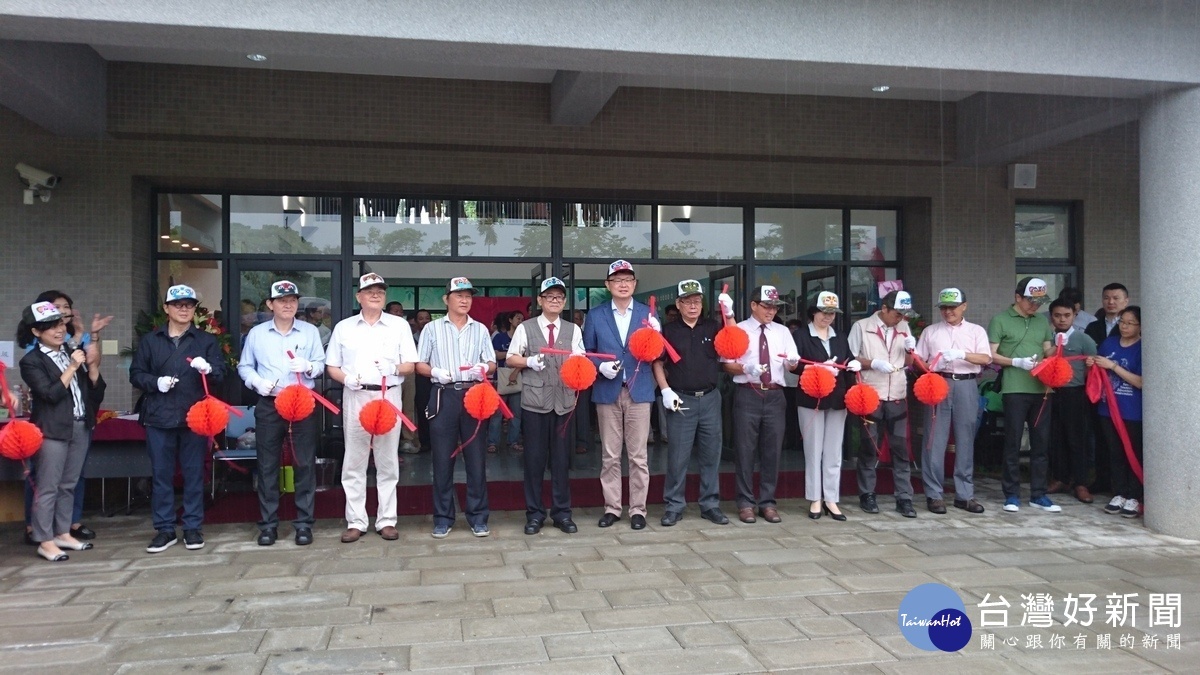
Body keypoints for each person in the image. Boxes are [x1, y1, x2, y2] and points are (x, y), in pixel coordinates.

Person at [129, 284, 225, 553]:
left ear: (195, 309)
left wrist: (208, 369)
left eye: (189, 305)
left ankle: (193, 526)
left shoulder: (205, 341)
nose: (184, 309)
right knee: (161, 475)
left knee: (194, 474)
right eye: (178, 305)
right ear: (167, 309)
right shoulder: (151, 340)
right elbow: (136, 374)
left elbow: (220, 373)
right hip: (159, 416)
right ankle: (164, 528)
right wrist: (154, 382)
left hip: (194, 417)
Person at [325, 273, 418, 543]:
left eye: (380, 291)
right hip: (356, 395)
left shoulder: (398, 325)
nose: (375, 295)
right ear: (359, 296)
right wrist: (347, 379)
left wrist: (393, 368)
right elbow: (332, 366)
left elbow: (410, 365)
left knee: (387, 461)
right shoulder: (344, 327)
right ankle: (356, 521)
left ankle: (387, 520)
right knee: (354, 460)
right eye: (369, 291)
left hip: (388, 396)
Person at [237, 280, 326, 546]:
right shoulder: (257, 334)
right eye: (282, 300)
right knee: (267, 464)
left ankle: (303, 524)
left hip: (301, 402)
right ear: (270, 304)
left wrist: (309, 366)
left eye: (293, 300)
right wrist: (257, 382)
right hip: (270, 402)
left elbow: (321, 364)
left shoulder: (309, 332)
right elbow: (244, 367)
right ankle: (268, 525)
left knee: (304, 463)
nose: (288, 305)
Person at [22, 289, 112, 545]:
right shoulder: (32, 361)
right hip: (52, 430)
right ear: (37, 332)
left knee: (68, 484)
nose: (60, 330)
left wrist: (90, 366)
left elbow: (94, 390)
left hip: (80, 425)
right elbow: (49, 394)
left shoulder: (69, 352)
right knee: (47, 486)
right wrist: (73, 367)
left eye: (61, 324)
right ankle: (43, 538)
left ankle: (62, 532)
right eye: (51, 327)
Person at [416, 277, 496, 538]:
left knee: (476, 460)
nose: (464, 300)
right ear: (446, 299)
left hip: (474, 395)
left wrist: (484, 367)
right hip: (444, 394)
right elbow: (420, 364)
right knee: (442, 459)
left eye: (468, 296)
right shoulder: (432, 329)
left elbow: (492, 362)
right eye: (459, 295)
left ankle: (478, 516)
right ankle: (442, 517)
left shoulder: (480, 329)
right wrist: (436, 372)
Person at [583, 260, 658, 530]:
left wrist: (657, 338)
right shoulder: (596, 314)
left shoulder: (647, 314)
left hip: (638, 391)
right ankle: (612, 508)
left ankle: (638, 510)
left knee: (639, 456)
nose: (623, 284)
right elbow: (587, 352)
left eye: (628, 279)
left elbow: (656, 354)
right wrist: (599, 367)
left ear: (635, 284)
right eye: (617, 280)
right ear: (608, 285)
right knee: (610, 455)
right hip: (607, 390)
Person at [506, 277, 583, 534]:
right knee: (534, 460)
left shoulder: (573, 330)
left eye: (559, 297)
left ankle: (562, 513)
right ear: (539, 300)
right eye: (549, 297)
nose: (554, 301)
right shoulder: (526, 328)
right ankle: (535, 514)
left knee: (561, 461)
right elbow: (510, 358)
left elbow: (580, 360)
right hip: (535, 403)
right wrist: (529, 362)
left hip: (564, 403)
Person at [653, 279, 731, 527]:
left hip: (709, 398)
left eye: (697, 301)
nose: (693, 306)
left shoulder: (713, 326)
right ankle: (674, 505)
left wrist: (729, 315)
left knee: (711, 455)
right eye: (687, 301)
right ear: (678, 304)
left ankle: (710, 505)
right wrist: (665, 391)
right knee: (678, 456)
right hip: (681, 399)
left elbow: (734, 342)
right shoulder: (669, 331)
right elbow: (657, 362)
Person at [721, 284, 800, 524]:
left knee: (772, 450)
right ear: (753, 305)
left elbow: (791, 364)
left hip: (776, 395)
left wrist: (794, 363)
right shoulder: (739, 329)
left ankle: (767, 502)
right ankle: (745, 502)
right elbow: (726, 363)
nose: (771, 311)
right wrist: (746, 368)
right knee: (745, 450)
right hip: (748, 392)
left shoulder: (782, 331)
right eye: (766, 306)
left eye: (775, 307)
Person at [914, 288, 992, 515]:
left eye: (953, 307)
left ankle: (965, 494)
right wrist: (929, 366)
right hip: (939, 383)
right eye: (944, 308)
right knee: (934, 439)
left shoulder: (976, 331)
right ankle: (934, 494)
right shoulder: (931, 331)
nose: (948, 312)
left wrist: (961, 354)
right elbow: (919, 362)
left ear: (964, 306)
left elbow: (985, 358)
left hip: (966, 383)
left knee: (965, 437)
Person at [988, 277, 1058, 513]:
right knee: (1012, 442)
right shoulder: (1000, 320)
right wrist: (1016, 362)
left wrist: (1058, 345)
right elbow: (992, 355)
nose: (1035, 305)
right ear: (1017, 297)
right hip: (1014, 388)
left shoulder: (1042, 321)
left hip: (1042, 388)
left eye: (1039, 301)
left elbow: (1048, 350)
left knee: (1042, 443)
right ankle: (1011, 494)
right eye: (1031, 300)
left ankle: (1039, 494)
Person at [848, 290, 917, 518]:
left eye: (904, 314)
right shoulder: (862, 326)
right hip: (871, 394)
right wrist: (874, 363)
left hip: (896, 394)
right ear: (884, 309)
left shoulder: (904, 327)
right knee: (869, 447)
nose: (901, 318)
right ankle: (867, 494)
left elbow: (908, 362)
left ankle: (904, 497)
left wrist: (910, 350)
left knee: (900, 448)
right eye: (897, 313)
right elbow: (851, 358)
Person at [793, 293, 860, 521]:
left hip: (837, 398)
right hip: (811, 398)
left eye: (831, 313)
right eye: (824, 312)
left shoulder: (839, 336)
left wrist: (852, 364)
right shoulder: (801, 335)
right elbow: (794, 367)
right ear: (814, 312)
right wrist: (818, 369)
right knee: (813, 450)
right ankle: (814, 498)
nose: (827, 317)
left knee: (833, 451)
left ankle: (831, 498)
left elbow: (847, 359)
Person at [1092, 306, 1143, 518]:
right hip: (1108, 409)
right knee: (1115, 452)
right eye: (1122, 321)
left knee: (1134, 452)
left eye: (1130, 323)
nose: (1124, 326)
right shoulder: (1109, 343)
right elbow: (1097, 369)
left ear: (1140, 326)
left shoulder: (1142, 348)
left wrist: (1112, 366)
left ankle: (1135, 495)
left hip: (1132, 411)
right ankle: (1119, 492)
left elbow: (1140, 382)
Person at [1046, 299, 1098, 504]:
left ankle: (1080, 482)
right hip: (1051, 392)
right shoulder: (1047, 339)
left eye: (1066, 315)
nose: (1062, 319)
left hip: (1075, 392)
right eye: (1057, 315)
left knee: (1077, 438)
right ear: (1052, 317)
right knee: (1055, 436)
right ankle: (1059, 477)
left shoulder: (1083, 339)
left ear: (1074, 316)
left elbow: (1093, 370)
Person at [1084, 282, 1129, 495]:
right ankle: (1102, 480)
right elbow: (1088, 352)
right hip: (1101, 389)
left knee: (1125, 438)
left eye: (1116, 298)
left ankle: (1125, 485)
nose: (1111, 302)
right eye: (1107, 298)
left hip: (1126, 389)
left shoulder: (1133, 326)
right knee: (1102, 436)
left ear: (1126, 301)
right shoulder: (1093, 326)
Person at [487, 310, 523, 453]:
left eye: (522, 319)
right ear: (510, 320)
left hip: (517, 377)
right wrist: (513, 355)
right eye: (517, 318)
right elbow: (494, 354)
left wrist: (515, 371)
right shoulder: (499, 337)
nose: (520, 321)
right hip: (500, 379)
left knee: (516, 413)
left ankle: (513, 441)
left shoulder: (522, 338)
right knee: (497, 414)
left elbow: (525, 357)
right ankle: (492, 442)